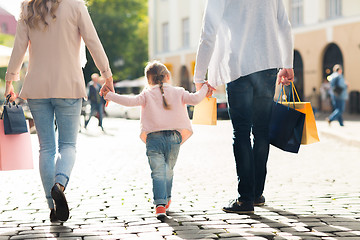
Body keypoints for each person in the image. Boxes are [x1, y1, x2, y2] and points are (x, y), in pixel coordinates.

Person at [5, 0, 114, 222]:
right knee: (68, 145)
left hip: (36, 87)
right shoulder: (75, 5)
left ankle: (52, 205)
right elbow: (93, 40)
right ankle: (59, 185)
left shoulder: (28, 7)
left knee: (46, 148)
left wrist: (10, 80)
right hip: (69, 86)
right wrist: (107, 74)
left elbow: (19, 47)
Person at [193, 0, 294, 214]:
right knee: (261, 132)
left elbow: (208, 33)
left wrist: (199, 76)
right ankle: (256, 194)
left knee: (241, 132)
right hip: (268, 65)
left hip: (238, 68)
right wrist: (288, 64)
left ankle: (244, 199)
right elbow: (284, 25)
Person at [101, 61, 210, 219]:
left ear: (148, 80)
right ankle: (167, 199)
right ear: (167, 76)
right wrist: (205, 87)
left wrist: (108, 95)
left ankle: (160, 205)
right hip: (174, 138)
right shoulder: (179, 91)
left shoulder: (146, 94)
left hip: (153, 139)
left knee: (158, 172)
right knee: (168, 171)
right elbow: (196, 99)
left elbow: (129, 102)